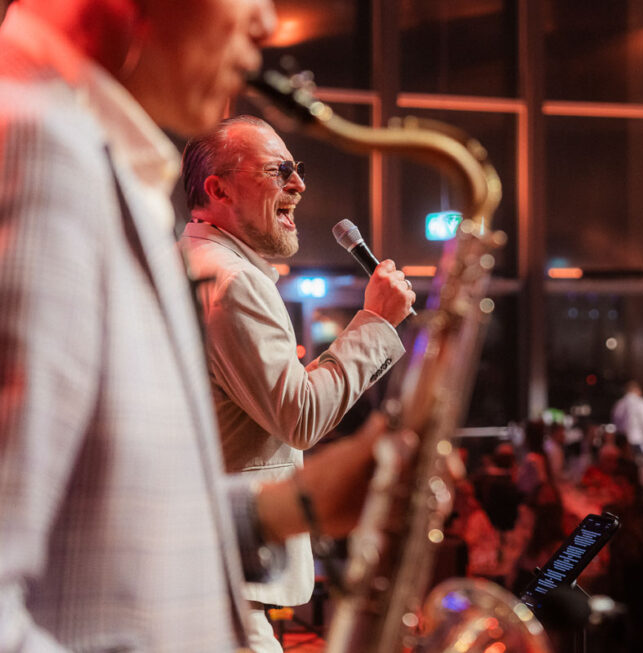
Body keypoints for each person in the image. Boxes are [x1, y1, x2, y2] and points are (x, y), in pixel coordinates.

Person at [0, 0, 390, 648]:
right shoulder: (34, 148)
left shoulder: (87, 157)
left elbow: (107, 526)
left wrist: (296, 505)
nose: (266, 25)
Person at [178, 116, 414, 651]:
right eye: (278, 170)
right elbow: (300, 417)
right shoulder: (232, 282)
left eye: (297, 169)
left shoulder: (202, 262)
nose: (299, 185)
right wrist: (375, 323)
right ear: (217, 189)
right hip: (228, 586)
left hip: (215, 576)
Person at [611, 380, 643, 457]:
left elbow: (615, 421)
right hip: (637, 441)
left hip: (622, 441)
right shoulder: (641, 403)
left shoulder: (619, 404)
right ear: (636, 390)